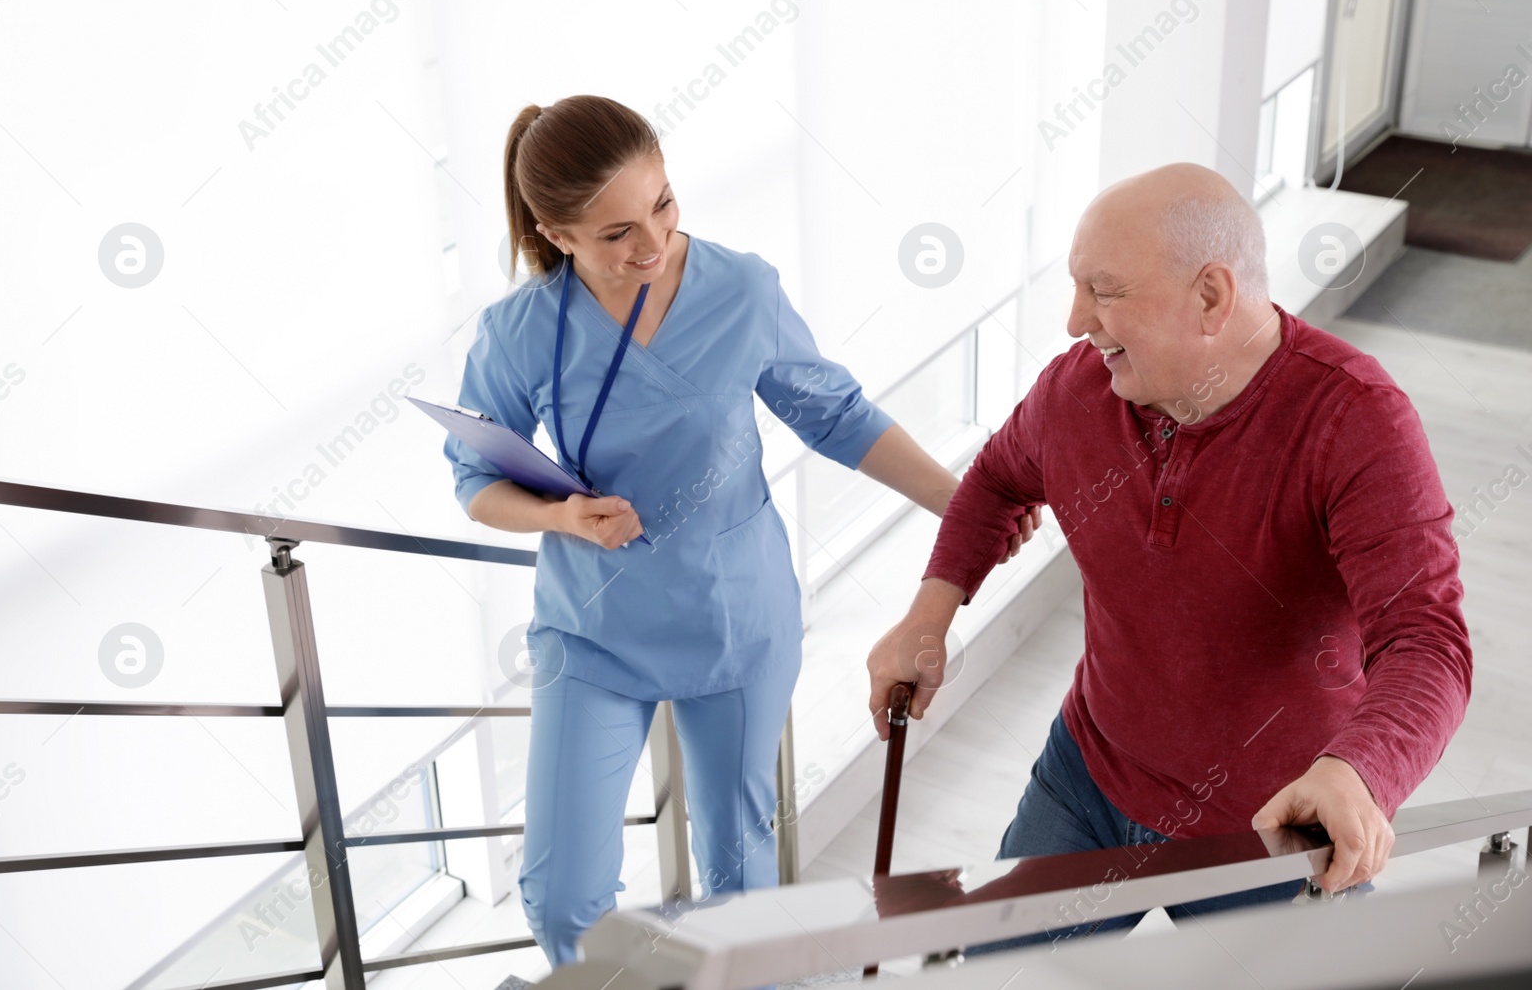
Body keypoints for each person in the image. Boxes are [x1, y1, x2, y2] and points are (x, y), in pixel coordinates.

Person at [443, 95, 1023, 966]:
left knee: (740, 879)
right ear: (558, 235)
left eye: (664, 205)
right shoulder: (521, 332)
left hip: (734, 616)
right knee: (564, 897)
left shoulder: (741, 288)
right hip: (593, 627)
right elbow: (475, 479)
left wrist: (965, 503)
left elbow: (838, 416)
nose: (652, 244)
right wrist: (559, 514)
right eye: (615, 234)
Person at [866, 162, 1472, 951]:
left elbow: (1427, 641)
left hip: (1272, 829)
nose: (1075, 317)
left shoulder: (1356, 420)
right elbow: (995, 481)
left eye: (1104, 290)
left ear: (1211, 297)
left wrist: (1362, 771)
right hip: (1088, 778)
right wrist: (929, 613)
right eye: (1077, 286)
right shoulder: (1074, 391)